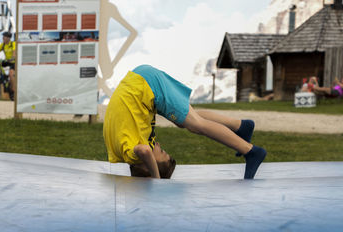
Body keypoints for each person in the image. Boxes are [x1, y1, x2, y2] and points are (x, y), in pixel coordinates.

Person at [103, 65, 267, 179]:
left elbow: (145, 152)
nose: (160, 146)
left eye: (163, 154)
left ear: (146, 166)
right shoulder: (118, 153)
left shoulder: (132, 153)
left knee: (196, 125)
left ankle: (251, 151)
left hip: (146, 85)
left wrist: (156, 179)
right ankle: (241, 126)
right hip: (138, 85)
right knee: (186, 120)